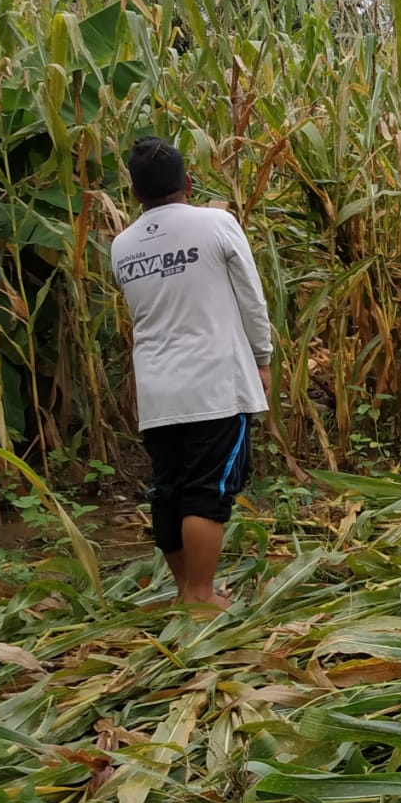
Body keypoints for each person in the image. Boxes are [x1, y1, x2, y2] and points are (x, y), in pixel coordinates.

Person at [111, 138, 273, 610]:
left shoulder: (122, 245)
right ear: (188, 182)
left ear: (135, 192)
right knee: (208, 490)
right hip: (215, 383)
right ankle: (202, 597)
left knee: (169, 488)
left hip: (158, 390)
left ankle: (186, 590)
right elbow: (252, 299)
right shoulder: (216, 223)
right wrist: (261, 359)